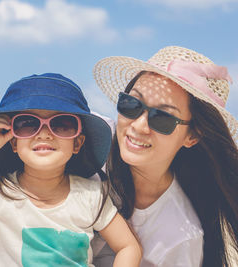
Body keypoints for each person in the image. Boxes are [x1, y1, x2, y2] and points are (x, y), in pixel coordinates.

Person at [0, 73, 142, 266]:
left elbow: (128, 246)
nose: (44, 133)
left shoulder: (91, 195)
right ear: (12, 141)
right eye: (27, 123)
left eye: (61, 124)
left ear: (77, 143)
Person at [92, 46, 238, 266]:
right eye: (131, 104)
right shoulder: (82, 139)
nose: (139, 126)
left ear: (193, 136)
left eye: (162, 118)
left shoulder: (181, 238)